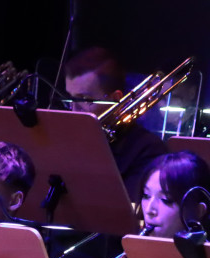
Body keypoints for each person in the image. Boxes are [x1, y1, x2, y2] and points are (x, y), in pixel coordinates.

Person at [64, 47, 167, 201]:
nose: (73, 111)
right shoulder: (64, 140)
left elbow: (124, 213)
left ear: (114, 99)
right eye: (69, 99)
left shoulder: (148, 150)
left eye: (84, 100)